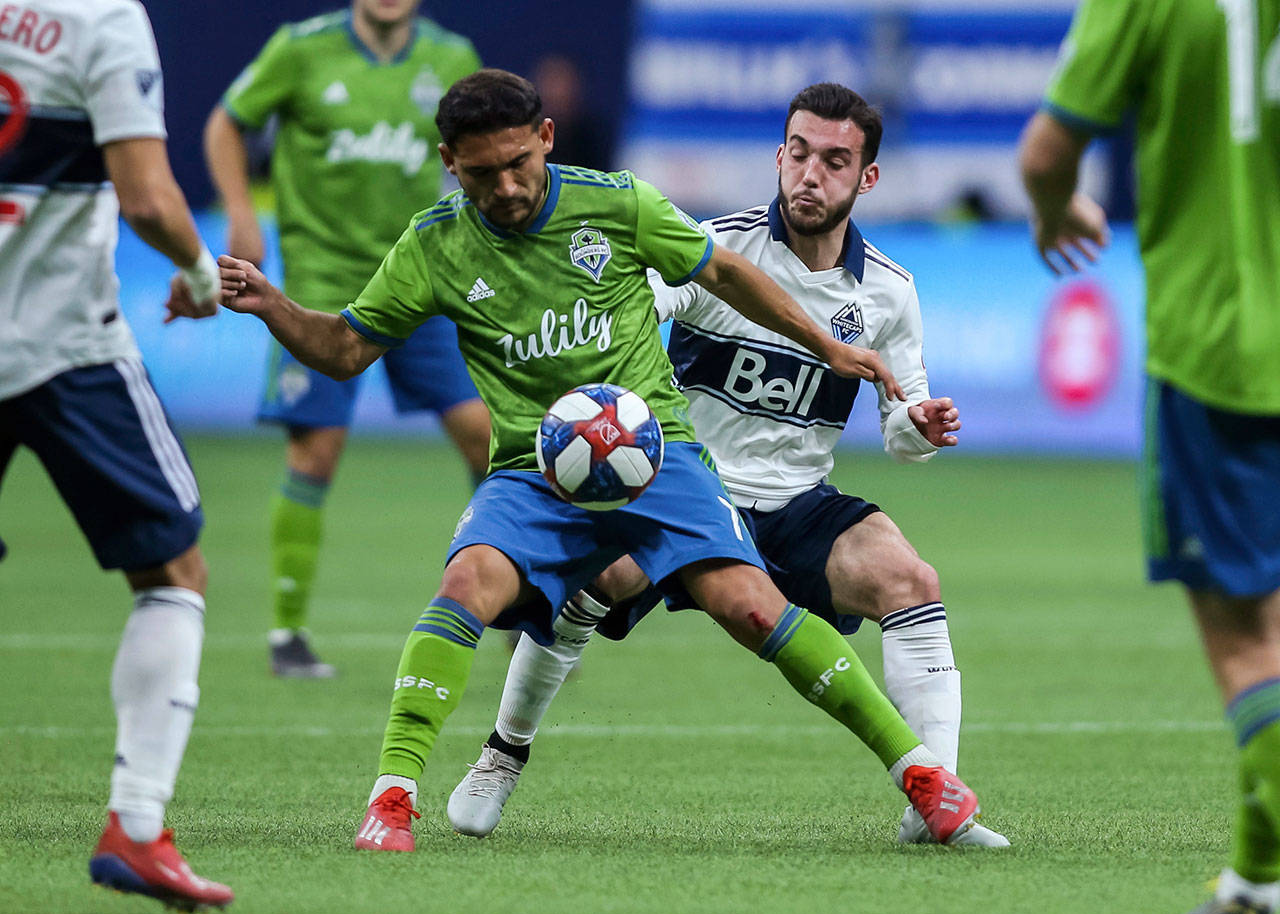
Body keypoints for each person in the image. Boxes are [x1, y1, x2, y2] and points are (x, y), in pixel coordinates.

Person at [203, 68, 997, 854]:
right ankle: (400, 793)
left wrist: (840, 356)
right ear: (450, 162)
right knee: (468, 584)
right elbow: (344, 348)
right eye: (483, 173)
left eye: (520, 165)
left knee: (757, 604)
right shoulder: (435, 245)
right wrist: (273, 304)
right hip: (537, 467)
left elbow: (722, 281)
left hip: (678, 465)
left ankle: (924, 776)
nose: (507, 188)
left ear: (546, 139)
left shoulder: (619, 205)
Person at [444, 82, 1008, 848]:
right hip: (686, 486)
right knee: (596, 579)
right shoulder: (722, 249)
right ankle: (502, 754)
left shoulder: (889, 293)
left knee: (911, 581)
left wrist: (919, 422)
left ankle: (934, 799)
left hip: (795, 501)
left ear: (866, 179)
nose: (811, 174)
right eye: (799, 153)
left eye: (836, 161)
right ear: (779, 156)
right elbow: (638, 302)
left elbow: (900, 427)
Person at [1019, 0, 1280, 914]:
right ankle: (1255, 884)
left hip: (1227, 356)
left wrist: (1056, 214)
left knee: (1252, 646)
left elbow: (1048, 154)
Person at [0, 0, 233, 910]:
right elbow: (145, 196)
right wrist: (201, 270)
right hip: (61, 349)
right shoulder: (100, 18)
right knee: (173, 568)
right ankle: (136, 829)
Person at [204, 0, 489, 678]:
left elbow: (490, 154)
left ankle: (512, 609)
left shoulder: (452, 59)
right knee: (316, 452)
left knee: (487, 436)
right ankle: (288, 635)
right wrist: (242, 214)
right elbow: (225, 124)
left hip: (425, 279)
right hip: (322, 285)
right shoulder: (300, 49)